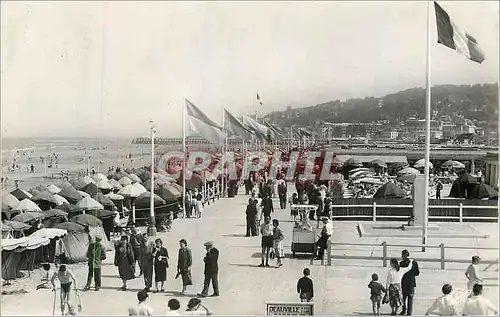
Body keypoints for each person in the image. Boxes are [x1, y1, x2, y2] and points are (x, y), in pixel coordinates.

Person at [400, 249, 420, 316]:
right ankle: (409, 312)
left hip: (404, 282)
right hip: (411, 282)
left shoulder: (401, 263)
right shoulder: (414, 262)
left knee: (403, 297)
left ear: (403, 256)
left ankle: (403, 310)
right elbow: (417, 273)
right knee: (410, 298)